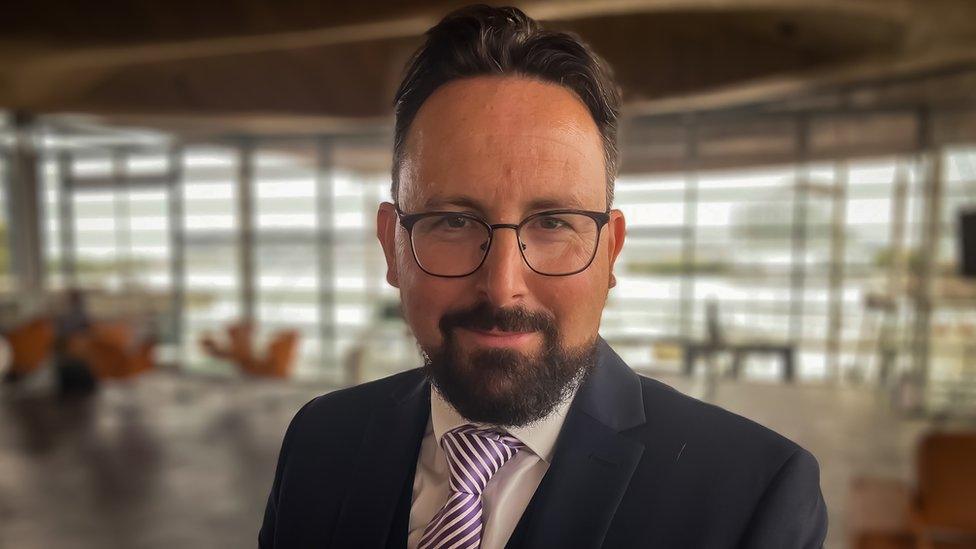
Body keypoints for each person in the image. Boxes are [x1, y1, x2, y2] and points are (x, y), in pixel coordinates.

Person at [259, 5, 827, 548]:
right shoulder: (321, 441)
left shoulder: (751, 496)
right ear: (391, 245)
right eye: (454, 221)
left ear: (610, 253)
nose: (502, 285)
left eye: (554, 222)